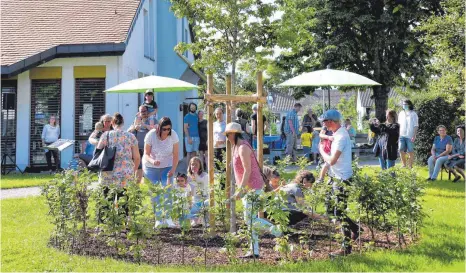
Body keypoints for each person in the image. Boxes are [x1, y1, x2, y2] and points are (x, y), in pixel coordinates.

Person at [226, 122, 281, 259]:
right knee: (250, 220)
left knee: (249, 219)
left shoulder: (243, 147)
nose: (227, 137)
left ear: (233, 133)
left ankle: (277, 231)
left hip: (253, 188)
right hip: (248, 188)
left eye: (227, 134)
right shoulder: (236, 147)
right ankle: (254, 251)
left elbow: (248, 170)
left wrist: (240, 190)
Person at [319, 109, 361, 256]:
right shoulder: (336, 134)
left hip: (342, 179)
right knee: (331, 210)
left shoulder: (341, 137)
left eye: (324, 122)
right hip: (335, 177)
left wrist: (321, 151)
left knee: (340, 212)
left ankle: (346, 248)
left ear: (331, 122)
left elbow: (332, 160)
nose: (323, 125)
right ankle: (356, 229)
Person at [96, 113, 140, 221]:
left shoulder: (106, 135)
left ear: (112, 123)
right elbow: (137, 157)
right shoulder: (131, 137)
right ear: (123, 123)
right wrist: (133, 171)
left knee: (106, 199)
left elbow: (98, 151)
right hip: (125, 172)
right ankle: (122, 226)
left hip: (108, 171)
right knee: (123, 200)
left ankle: (104, 225)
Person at [144, 117, 180, 228]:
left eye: (168, 129)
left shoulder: (173, 135)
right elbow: (146, 154)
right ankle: (158, 219)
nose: (166, 131)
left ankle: (168, 218)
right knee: (156, 193)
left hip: (167, 166)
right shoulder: (151, 135)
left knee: (168, 190)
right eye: (164, 129)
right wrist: (153, 161)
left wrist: (173, 170)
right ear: (159, 127)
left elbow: (176, 155)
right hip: (151, 167)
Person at [128, 105, 152, 183]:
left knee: (145, 168)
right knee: (137, 167)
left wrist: (143, 124)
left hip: (147, 149)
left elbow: (154, 129)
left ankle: (141, 185)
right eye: (142, 111)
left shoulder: (151, 120)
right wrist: (134, 127)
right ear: (139, 113)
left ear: (147, 111)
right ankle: (136, 186)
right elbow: (128, 132)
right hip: (136, 149)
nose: (144, 113)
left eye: (145, 111)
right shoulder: (135, 121)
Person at [186, 156, 209, 226]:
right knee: (189, 205)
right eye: (192, 164)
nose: (194, 166)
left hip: (204, 198)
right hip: (195, 199)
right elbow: (189, 191)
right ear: (190, 166)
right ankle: (195, 220)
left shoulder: (204, 175)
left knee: (206, 204)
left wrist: (196, 177)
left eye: (196, 164)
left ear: (200, 166)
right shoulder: (189, 177)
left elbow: (204, 188)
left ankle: (206, 221)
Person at [398, 100, 418, 168]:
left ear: (409, 105)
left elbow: (416, 125)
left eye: (406, 104)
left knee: (410, 151)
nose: (404, 105)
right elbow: (398, 124)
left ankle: (410, 166)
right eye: (403, 104)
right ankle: (404, 164)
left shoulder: (413, 114)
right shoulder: (401, 113)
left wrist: (414, 135)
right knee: (400, 150)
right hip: (401, 135)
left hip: (410, 135)